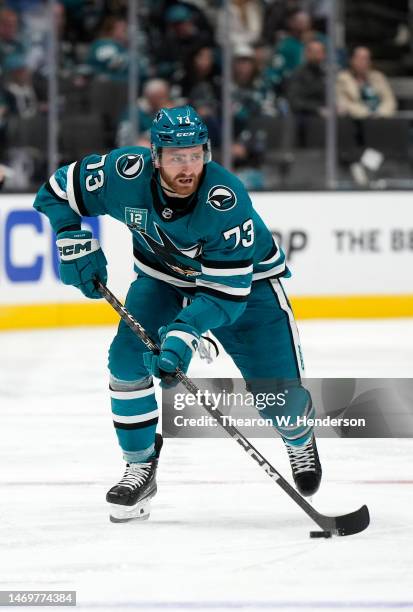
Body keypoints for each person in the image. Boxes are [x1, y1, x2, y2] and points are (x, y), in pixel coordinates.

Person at [33, 105, 322, 523]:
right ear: (156, 157)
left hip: (247, 288)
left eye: (195, 155)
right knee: (125, 362)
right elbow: (55, 192)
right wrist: (70, 234)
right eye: (176, 157)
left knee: (282, 405)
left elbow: (225, 296)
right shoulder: (122, 174)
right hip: (162, 278)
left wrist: (184, 335)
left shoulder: (225, 201)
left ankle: (299, 436)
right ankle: (140, 466)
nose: (187, 168)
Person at [336, 46, 396, 118]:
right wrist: (366, 113)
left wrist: (380, 113)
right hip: (356, 120)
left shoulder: (378, 77)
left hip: (380, 119)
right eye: (360, 58)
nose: (363, 62)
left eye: (366, 59)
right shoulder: (342, 78)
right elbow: (343, 103)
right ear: (352, 60)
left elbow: (389, 100)